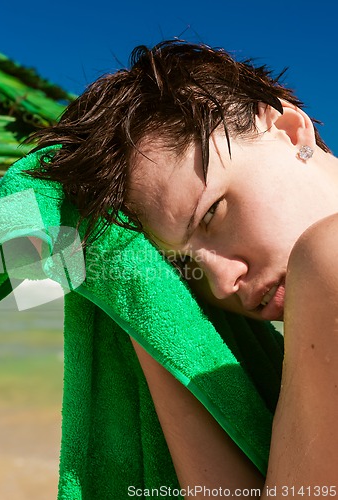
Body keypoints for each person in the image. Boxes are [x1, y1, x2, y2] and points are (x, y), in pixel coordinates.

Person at [28, 41, 338, 493]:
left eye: (212, 213)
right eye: (179, 264)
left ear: (291, 130)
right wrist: (141, 301)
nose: (220, 281)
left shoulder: (326, 254)